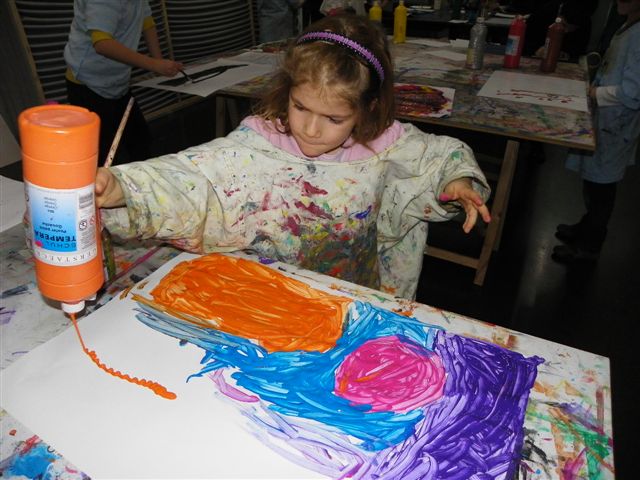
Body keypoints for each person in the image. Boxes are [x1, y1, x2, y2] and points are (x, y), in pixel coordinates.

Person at [95, 14, 491, 299]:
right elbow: (193, 176)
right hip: (269, 294)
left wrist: (456, 180)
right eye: (300, 107)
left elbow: (438, 155)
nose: (311, 129)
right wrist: (123, 188)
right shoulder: (260, 143)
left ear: (367, 108)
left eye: (334, 118)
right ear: (287, 91)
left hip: (351, 291)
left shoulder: (383, 145)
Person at [552, 0, 640, 263]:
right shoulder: (628, 24)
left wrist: (595, 93)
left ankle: (589, 245)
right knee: (594, 182)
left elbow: (632, 93)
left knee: (602, 188)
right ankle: (587, 226)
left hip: (616, 124)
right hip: (607, 120)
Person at [64, 0, 183, 165]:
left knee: (140, 142)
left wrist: (158, 61)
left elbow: (146, 19)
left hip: (117, 81)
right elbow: (102, 44)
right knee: (104, 155)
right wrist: (154, 64)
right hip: (88, 83)